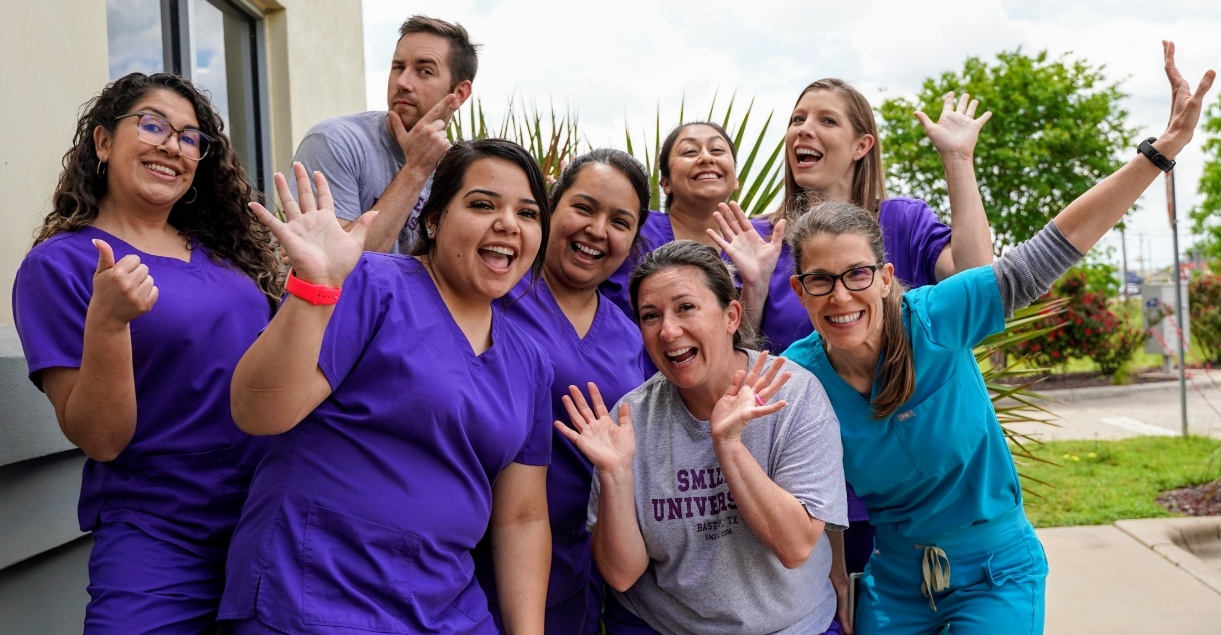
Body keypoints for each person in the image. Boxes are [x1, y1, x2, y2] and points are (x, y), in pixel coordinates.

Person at [782, 41, 1212, 635]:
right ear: (799, 291)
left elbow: (1055, 246)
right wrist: (832, 576)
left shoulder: (937, 317)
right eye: (820, 281)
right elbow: (811, 485)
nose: (840, 296)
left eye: (857, 275)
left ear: (885, 279)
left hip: (996, 571)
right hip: (894, 579)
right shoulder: (798, 377)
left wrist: (1158, 154)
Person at [217, 139, 554, 634]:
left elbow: (521, 517)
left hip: (443, 607)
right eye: (483, 204)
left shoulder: (530, 362)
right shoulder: (371, 284)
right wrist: (315, 290)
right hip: (315, 592)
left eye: (527, 213)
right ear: (434, 220)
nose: (508, 223)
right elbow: (258, 412)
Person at [12, 72, 282, 633]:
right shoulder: (60, 266)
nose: (172, 146)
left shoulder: (231, 262)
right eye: (153, 125)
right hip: (161, 537)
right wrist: (108, 324)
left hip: (267, 524)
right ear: (103, 142)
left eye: (189, 137)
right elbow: (102, 438)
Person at [563, 241, 848, 635]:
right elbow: (621, 574)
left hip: (791, 625)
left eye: (686, 307)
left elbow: (795, 546)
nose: (668, 330)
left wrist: (729, 445)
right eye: (650, 316)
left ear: (731, 315)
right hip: (663, 625)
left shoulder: (793, 394)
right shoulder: (632, 419)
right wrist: (615, 473)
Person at [476, 149, 650, 634]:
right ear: (551, 206)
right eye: (584, 207)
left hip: (578, 564)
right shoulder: (496, 293)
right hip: (475, 551)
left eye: (620, 221)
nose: (598, 230)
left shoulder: (630, 336)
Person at [292, 14, 477, 254]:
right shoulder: (334, 141)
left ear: (460, 93)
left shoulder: (459, 170)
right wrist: (415, 170)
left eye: (425, 71)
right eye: (398, 67)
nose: (403, 82)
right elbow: (339, 265)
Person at [598, 121, 739, 317]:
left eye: (716, 150)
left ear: (736, 180)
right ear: (666, 183)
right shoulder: (633, 229)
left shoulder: (756, 246)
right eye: (690, 151)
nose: (706, 158)